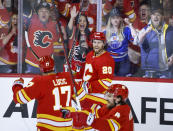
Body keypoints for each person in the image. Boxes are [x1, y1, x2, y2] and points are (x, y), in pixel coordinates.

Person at [12, 55, 81, 131]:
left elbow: (19, 98)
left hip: (47, 128)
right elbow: (82, 97)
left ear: (41, 68)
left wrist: (17, 85)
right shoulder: (67, 77)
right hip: (67, 128)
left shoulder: (39, 81)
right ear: (53, 66)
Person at [62, 84, 133, 131]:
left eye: (110, 96)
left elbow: (111, 127)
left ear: (118, 99)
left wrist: (90, 120)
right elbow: (96, 114)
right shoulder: (111, 106)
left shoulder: (123, 110)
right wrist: (75, 114)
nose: (106, 98)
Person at [79, 32, 115, 109]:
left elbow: (106, 82)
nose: (96, 45)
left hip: (98, 94)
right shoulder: (90, 54)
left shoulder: (107, 60)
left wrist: (89, 86)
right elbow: (87, 72)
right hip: (86, 91)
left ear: (104, 44)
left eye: (99, 42)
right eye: (94, 42)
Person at [138, 1, 173, 78]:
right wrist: (143, 34)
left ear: (163, 17)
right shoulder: (144, 30)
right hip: (149, 71)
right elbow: (138, 42)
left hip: (167, 71)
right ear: (151, 16)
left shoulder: (170, 30)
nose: (155, 17)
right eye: (153, 15)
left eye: (158, 15)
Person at [23, 1, 60, 74]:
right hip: (32, 63)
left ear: (49, 13)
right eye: (41, 11)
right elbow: (25, 5)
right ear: (37, 13)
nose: (44, 13)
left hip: (49, 65)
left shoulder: (54, 23)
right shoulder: (31, 20)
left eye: (46, 11)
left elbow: (59, 46)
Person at [103, 7, 137, 76]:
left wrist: (130, 24)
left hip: (124, 61)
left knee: (123, 81)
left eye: (117, 18)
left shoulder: (126, 30)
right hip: (110, 62)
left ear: (121, 19)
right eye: (113, 18)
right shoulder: (105, 32)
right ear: (110, 20)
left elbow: (135, 40)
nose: (115, 20)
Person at [65, 5, 92, 79]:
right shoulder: (74, 32)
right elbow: (68, 29)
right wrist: (72, 17)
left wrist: (88, 48)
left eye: (84, 21)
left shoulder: (90, 35)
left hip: (84, 68)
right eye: (80, 21)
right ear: (76, 22)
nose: (82, 23)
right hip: (72, 67)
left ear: (87, 23)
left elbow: (93, 54)